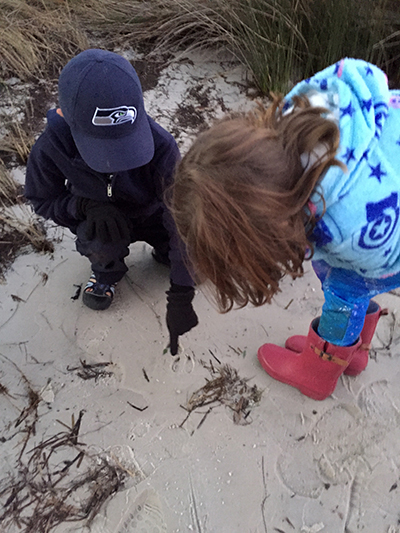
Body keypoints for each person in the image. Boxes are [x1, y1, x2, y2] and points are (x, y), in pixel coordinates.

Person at [170, 58, 400, 400]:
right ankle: (356, 354)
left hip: (387, 243)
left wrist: (317, 251)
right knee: (336, 273)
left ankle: (319, 372)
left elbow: (384, 265)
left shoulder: (349, 225)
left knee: (345, 293)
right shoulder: (307, 108)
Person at [25, 48, 198, 355]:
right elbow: (42, 198)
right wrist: (82, 207)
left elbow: (181, 212)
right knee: (96, 235)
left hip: (154, 212)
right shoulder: (51, 146)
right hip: (101, 219)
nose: (114, 163)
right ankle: (106, 272)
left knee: (187, 245)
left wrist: (182, 291)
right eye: (102, 149)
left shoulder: (161, 144)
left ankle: (163, 253)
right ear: (66, 117)